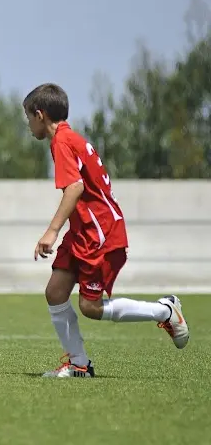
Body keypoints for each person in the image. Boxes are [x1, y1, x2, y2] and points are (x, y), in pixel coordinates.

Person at [24, 83, 189, 378]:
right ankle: (79, 364)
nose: (28, 125)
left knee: (91, 306)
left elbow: (74, 188)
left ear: (40, 114)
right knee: (55, 292)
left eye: (28, 118)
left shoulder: (61, 141)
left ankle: (165, 311)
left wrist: (51, 231)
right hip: (83, 230)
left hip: (97, 232)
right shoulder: (69, 138)